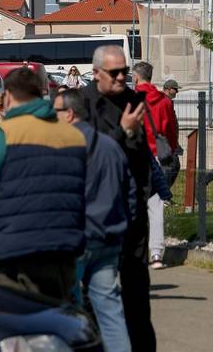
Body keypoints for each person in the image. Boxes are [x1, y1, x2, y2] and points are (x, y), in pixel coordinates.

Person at [0, 67, 86, 301]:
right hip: (63, 249)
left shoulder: (2, 134)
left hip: (12, 253)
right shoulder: (75, 137)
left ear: (7, 96)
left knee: (14, 330)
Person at [82, 45, 156, 352]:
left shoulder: (134, 100)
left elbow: (142, 157)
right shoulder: (83, 105)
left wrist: (145, 195)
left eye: (125, 71)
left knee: (137, 290)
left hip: (133, 212)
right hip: (99, 217)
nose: (122, 77)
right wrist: (122, 133)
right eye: (115, 73)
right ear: (97, 72)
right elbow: (90, 157)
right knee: (95, 295)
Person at [55, 88, 135, 352]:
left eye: (55, 111)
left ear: (68, 114)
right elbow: (130, 192)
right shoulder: (111, 146)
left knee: (67, 308)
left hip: (77, 237)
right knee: (111, 312)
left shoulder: (64, 146)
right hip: (109, 236)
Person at [132, 61, 179, 270]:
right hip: (156, 156)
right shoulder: (164, 101)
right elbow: (171, 129)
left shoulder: (130, 99)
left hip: (133, 155)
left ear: (136, 76)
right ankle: (157, 253)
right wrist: (170, 148)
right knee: (156, 204)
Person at [161, 79, 182, 190]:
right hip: (165, 141)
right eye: (175, 89)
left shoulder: (168, 101)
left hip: (170, 141)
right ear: (168, 89)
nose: (177, 92)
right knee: (172, 166)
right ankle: (162, 196)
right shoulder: (163, 102)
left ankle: (163, 195)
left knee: (172, 166)